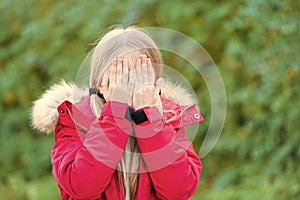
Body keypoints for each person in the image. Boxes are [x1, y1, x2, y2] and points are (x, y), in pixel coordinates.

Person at [31, 26, 204, 200]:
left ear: (156, 83)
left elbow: (179, 190)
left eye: (139, 76)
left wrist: (149, 118)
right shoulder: (74, 120)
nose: (129, 86)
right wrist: (115, 112)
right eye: (120, 77)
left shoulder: (169, 118)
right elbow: (82, 187)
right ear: (99, 83)